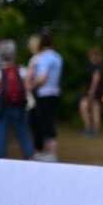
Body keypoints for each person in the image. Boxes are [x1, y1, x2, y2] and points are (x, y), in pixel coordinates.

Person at [0, 39, 33, 160]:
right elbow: (28, 88)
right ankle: (28, 154)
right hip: (19, 106)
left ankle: (0, 156)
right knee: (22, 131)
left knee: (1, 131)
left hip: (2, 105)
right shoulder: (21, 70)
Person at [29, 30, 63, 162]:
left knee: (45, 124)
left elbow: (42, 77)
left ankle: (50, 154)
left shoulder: (43, 58)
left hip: (44, 94)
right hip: (55, 92)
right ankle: (51, 152)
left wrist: (32, 85)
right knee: (50, 122)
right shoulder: (57, 57)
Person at [79, 46, 103, 136]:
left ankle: (94, 130)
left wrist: (92, 91)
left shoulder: (96, 66)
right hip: (90, 90)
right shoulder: (93, 66)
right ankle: (89, 128)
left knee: (94, 109)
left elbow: (96, 79)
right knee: (88, 107)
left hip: (94, 91)